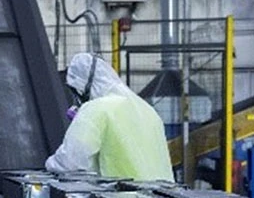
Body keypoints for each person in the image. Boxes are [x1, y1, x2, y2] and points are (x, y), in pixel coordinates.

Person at [45, 52, 174, 181]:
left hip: (126, 197)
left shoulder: (95, 109)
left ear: (82, 88)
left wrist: (50, 164)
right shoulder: (148, 111)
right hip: (164, 197)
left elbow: (71, 163)